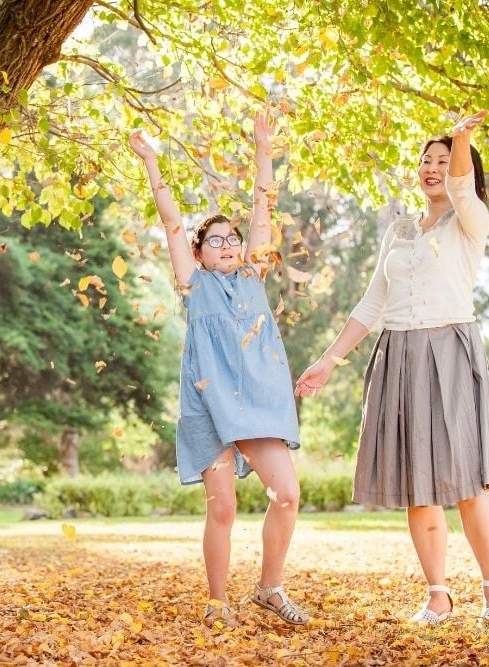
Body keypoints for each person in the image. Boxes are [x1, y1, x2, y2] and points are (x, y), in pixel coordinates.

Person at [295, 110, 489, 625]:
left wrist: (460, 138)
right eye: (425, 160)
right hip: (399, 356)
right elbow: (371, 304)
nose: (431, 167)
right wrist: (329, 360)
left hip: (452, 352)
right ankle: (437, 594)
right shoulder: (399, 230)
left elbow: (461, 186)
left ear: (462, 170)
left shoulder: (470, 219)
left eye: (443, 160)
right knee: (420, 482)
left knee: (466, 484)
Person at [128, 110, 307, 628]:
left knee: (287, 494)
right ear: (201, 254)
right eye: (216, 241)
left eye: (233, 238)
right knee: (223, 508)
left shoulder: (255, 273)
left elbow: (262, 204)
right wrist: (152, 163)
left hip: (258, 400)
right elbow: (169, 222)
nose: (228, 244)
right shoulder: (195, 283)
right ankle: (217, 602)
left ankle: (269, 588)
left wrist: (262, 146)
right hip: (209, 402)